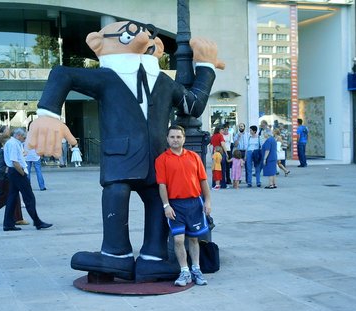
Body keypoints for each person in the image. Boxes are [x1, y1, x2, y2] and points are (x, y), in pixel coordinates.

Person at [28, 21, 223, 282]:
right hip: (120, 159)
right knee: (117, 193)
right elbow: (63, 74)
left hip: (157, 159)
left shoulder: (163, 81)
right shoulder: (106, 77)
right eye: (130, 32)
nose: (143, 36)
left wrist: (207, 67)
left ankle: (152, 258)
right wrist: (48, 114)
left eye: (150, 34)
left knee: (156, 200)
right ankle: (115, 254)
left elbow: (194, 105)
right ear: (97, 43)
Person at [155, 125, 211, 287]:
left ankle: (196, 269)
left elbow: (203, 181)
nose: (175, 140)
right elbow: (162, 185)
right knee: (178, 240)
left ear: (184, 139)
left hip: (194, 203)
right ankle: (184, 271)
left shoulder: (194, 157)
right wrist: (166, 205)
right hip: (175, 205)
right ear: (167, 139)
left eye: (178, 137)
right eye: (172, 137)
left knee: (194, 239)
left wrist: (207, 201)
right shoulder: (162, 160)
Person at [3, 128, 52, 231]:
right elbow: (14, 162)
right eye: (24, 137)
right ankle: (37, 222)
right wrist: (23, 173)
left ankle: (8, 224)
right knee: (29, 197)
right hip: (17, 172)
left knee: (12, 198)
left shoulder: (13, 143)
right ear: (18, 135)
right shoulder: (13, 144)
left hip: (13, 172)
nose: (25, 139)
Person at [0, 134, 28, 226]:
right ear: (3, 143)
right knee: (3, 199)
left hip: (6, 178)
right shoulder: (1, 152)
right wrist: (14, 171)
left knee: (15, 197)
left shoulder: (6, 151)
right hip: (3, 179)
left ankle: (18, 218)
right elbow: (2, 167)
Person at [25, 123, 46, 191]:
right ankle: (42, 186)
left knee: (27, 172)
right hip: (36, 155)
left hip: (26, 155)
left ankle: (28, 187)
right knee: (38, 171)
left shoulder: (25, 135)